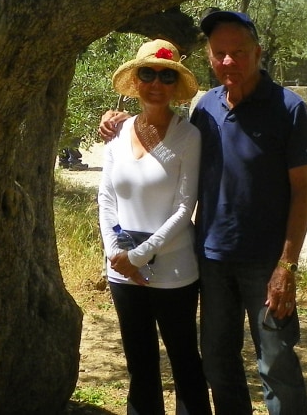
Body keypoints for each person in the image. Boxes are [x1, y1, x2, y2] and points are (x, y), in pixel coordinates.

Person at [101, 10, 307, 415]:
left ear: (258, 52)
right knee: (218, 364)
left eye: (238, 52)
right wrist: (122, 126)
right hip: (212, 259)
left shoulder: (289, 109)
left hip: (265, 261)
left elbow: (302, 192)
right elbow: (163, 156)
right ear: (209, 56)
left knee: (277, 364)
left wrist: (287, 266)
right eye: (220, 54)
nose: (229, 62)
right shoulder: (207, 108)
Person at [98, 39, 211, 415]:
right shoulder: (118, 134)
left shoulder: (188, 137)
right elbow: (107, 199)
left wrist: (140, 255)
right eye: (148, 74)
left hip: (173, 270)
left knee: (184, 359)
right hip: (122, 271)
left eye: (166, 76)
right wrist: (117, 254)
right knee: (140, 362)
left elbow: (184, 206)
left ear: (175, 85)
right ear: (136, 79)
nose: (156, 84)